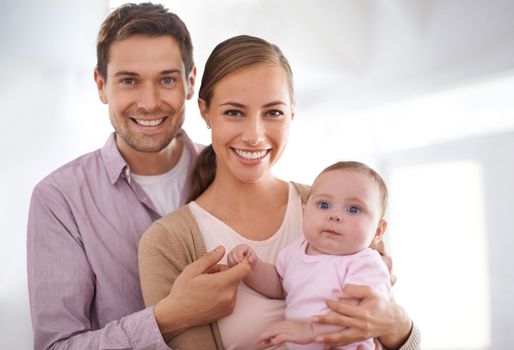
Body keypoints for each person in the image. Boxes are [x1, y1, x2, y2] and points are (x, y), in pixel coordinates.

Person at [138, 35, 421, 350]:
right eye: (234, 112)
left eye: (273, 112)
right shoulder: (167, 243)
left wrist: (399, 324)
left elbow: (381, 331)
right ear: (205, 111)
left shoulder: (341, 207)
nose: (255, 136)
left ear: (293, 112)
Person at [27, 3, 250, 349]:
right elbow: (56, 346)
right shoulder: (59, 199)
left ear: (190, 83)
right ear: (101, 86)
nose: (149, 102)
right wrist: (169, 317)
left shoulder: (236, 169)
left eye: (166, 79)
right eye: (129, 80)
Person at [227, 161, 393, 349]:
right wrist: (254, 267)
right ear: (304, 211)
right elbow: (280, 285)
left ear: (378, 231)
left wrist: (312, 330)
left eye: (353, 209)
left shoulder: (364, 262)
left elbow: (363, 313)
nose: (335, 216)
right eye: (324, 205)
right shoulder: (296, 251)